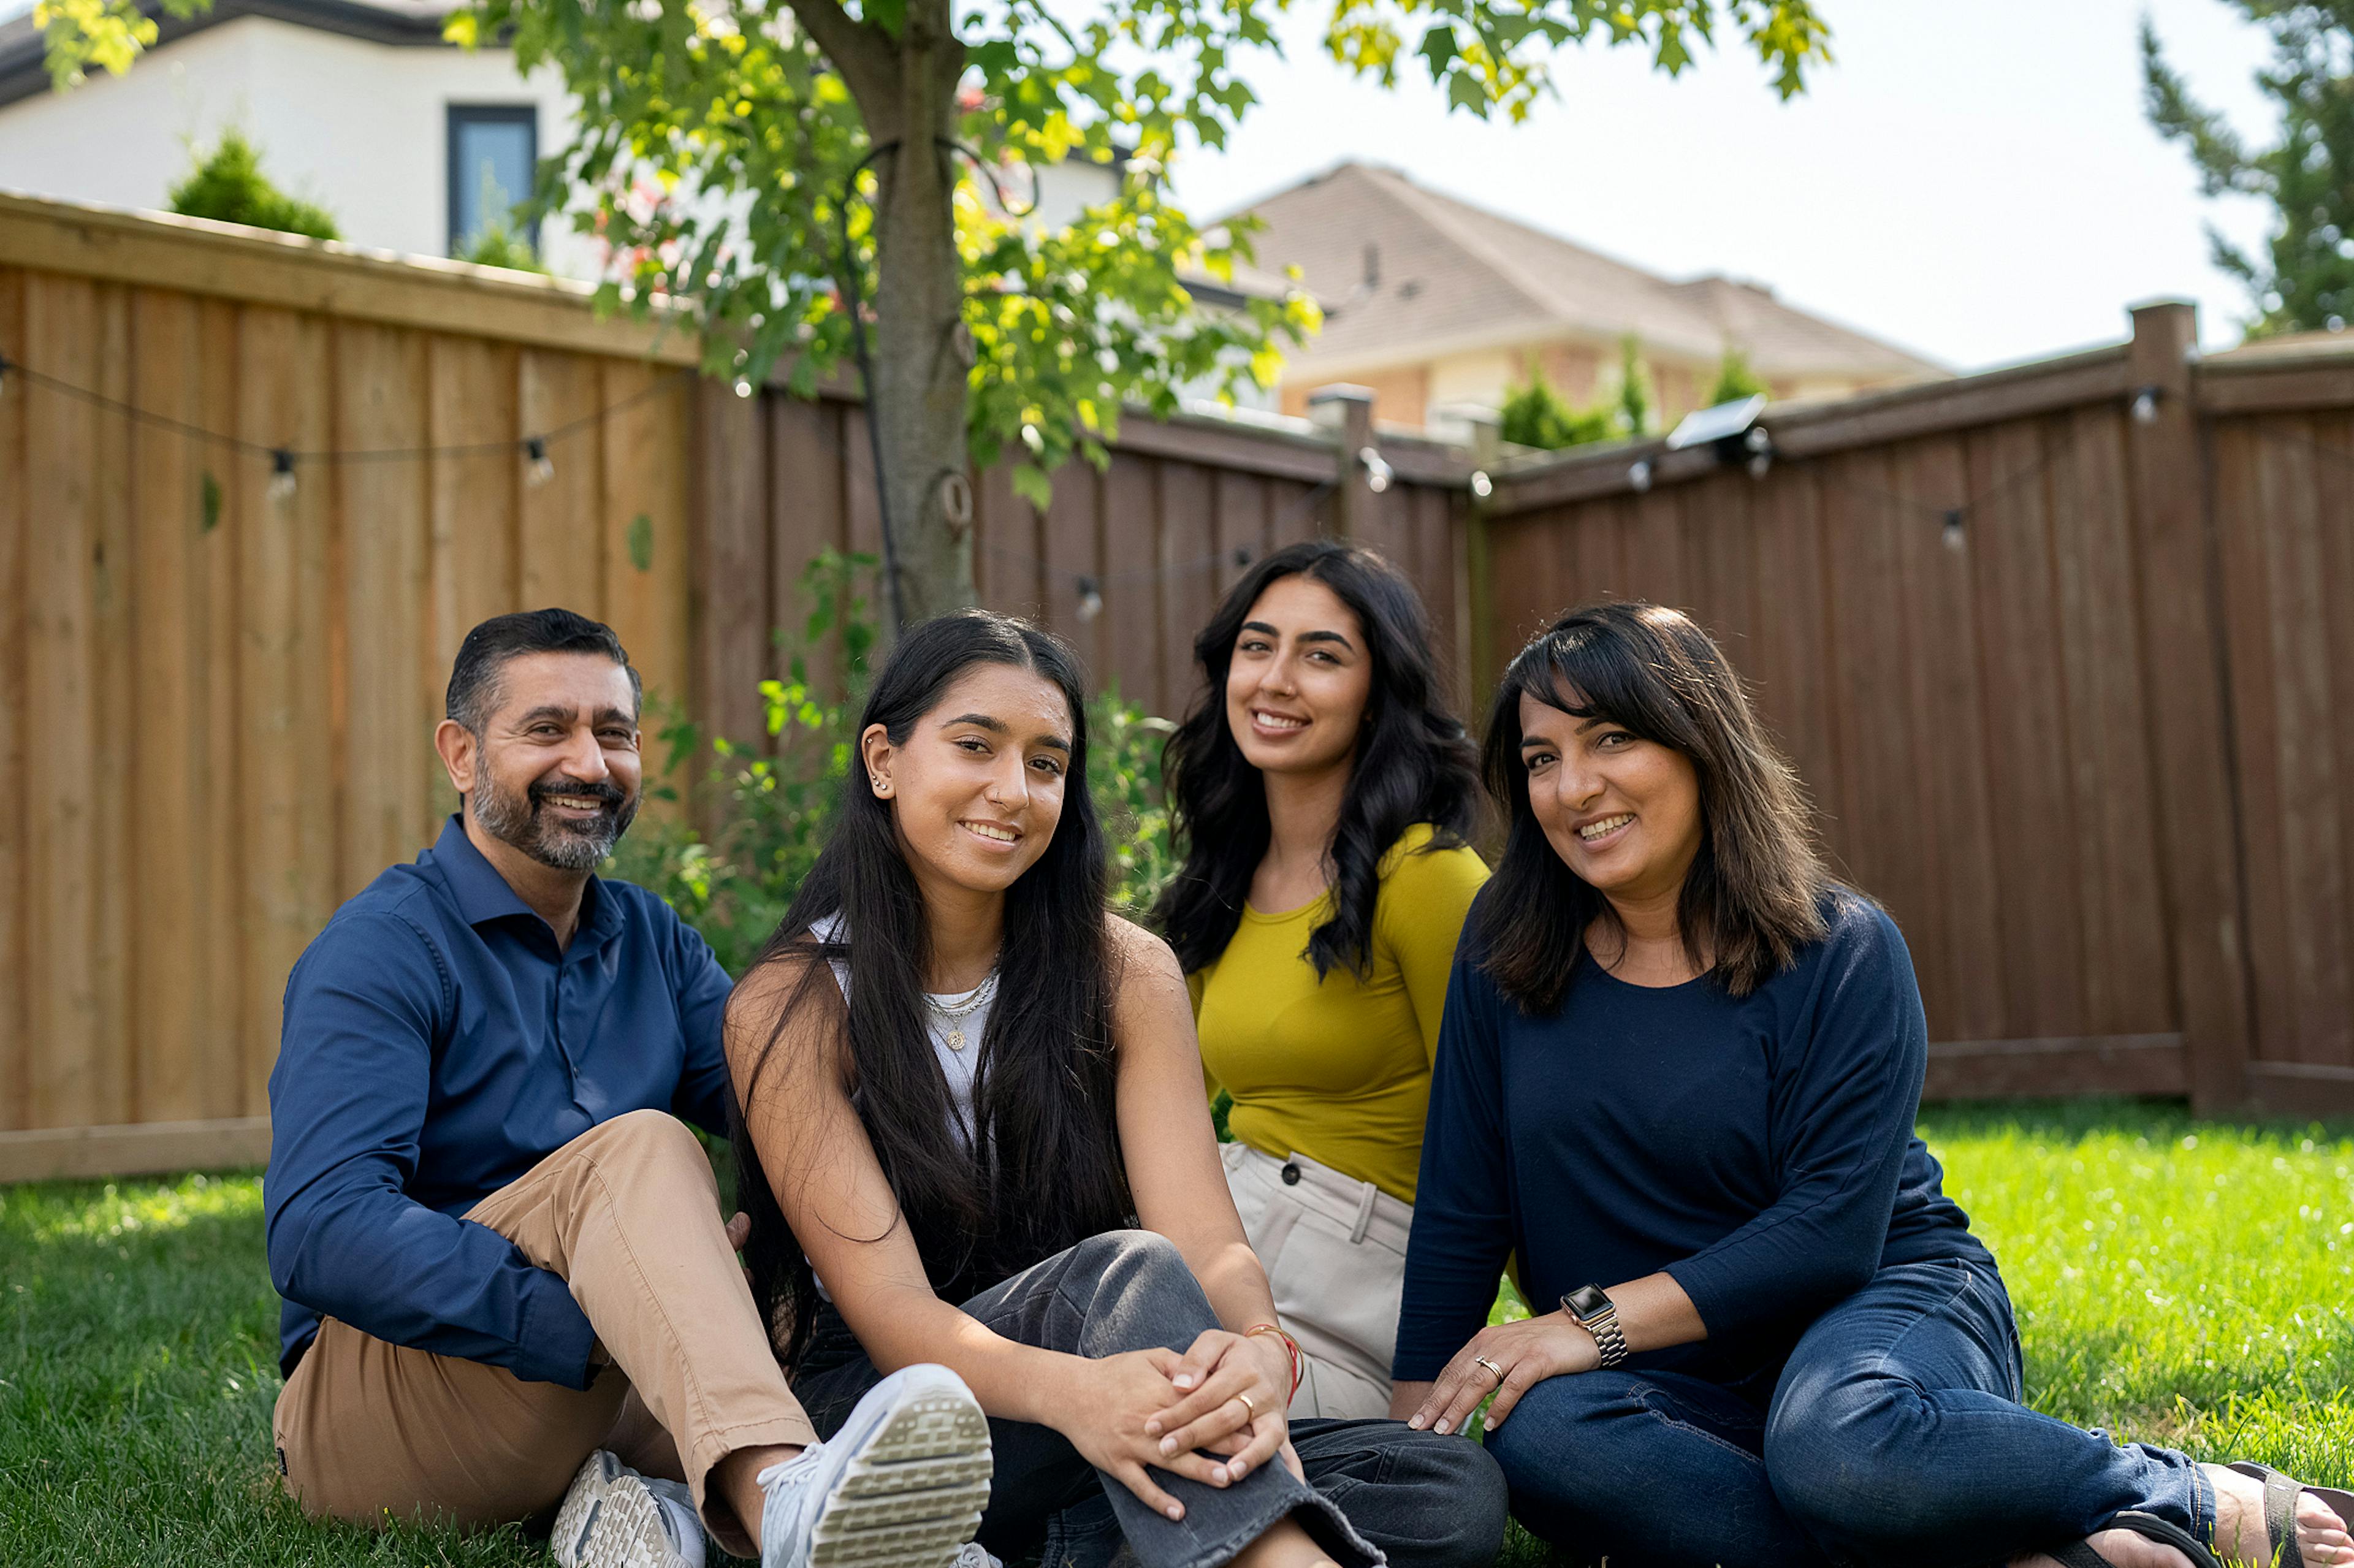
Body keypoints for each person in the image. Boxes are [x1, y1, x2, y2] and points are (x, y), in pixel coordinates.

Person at [1391, 600, 2354, 1568]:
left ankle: (2185, 1492)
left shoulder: (1838, 947)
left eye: (1612, 738)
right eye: (1541, 757)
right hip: (1661, 1377)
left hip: (1879, 1310)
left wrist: (1585, 1324)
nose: (1575, 786)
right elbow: (1461, 1211)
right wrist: (1409, 1450)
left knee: (1838, 1440)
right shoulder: (1503, 955)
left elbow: (1830, 1233)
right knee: (1543, 1432)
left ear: (1700, 744)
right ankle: (1998, 1550)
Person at [726, 609, 1506, 1568]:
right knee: (1127, 1274)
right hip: (898, 1416)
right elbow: (894, 1317)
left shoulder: (1124, 971)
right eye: (976, 746)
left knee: (1442, 1485)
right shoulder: (797, 1001)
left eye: (1047, 763)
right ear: (883, 760)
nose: (1012, 791)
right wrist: (1080, 1397)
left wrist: (1261, 1345)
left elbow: (1208, 1240)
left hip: (1106, 1405)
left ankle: (1089, 1542)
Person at [265, 608, 992, 1568]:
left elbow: (787, 1106)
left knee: (801, 1272)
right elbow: (320, 1227)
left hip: (584, 1392)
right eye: (547, 729)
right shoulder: (384, 948)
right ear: (461, 753)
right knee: (646, 1146)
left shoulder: (651, 940)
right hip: (381, 1406)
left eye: (614, 733)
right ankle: (785, 1496)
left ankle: (684, 1516)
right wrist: (595, 1310)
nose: (590, 763)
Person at [1154, 541, 1487, 1419]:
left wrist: (1433, 1370)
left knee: (1167, 1419)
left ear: (1379, 692)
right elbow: (1155, 1102)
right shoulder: (1219, 885)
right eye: (1257, 646)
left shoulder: (1426, 877)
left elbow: (1505, 1130)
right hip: (1223, 1248)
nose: (1276, 678)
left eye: (1323, 655)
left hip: (1351, 1292)